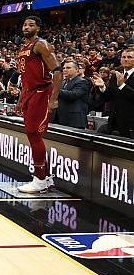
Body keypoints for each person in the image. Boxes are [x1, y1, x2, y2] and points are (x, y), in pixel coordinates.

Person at [15, 16, 62, 194]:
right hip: (30, 93)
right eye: (25, 24)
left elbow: (57, 72)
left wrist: (53, 98)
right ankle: (47, 177)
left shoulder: (41, 44)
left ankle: (40, 179)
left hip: (42, 92)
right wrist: (21, 100)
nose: (27, 27)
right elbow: (26, 79)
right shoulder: (23, 48)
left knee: (34, 134)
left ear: (38, 28)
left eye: (31, 24)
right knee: (33, 135)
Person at [92, 48, 134, 138]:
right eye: (123, 57)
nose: (126, 59)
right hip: (113, 122)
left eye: (129, 57)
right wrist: (102, 87)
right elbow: (108, 97)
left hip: (131, 124)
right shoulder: (115, 75)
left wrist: (122, 85)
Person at [55, 60, 90, 129]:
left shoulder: (82, 82)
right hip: (61, 118)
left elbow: (73, 95)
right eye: (64, 68)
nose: (65, 70)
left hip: (75, 120)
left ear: (76, 69)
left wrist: (55, 90)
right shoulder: (63, 82)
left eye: (68, 68)